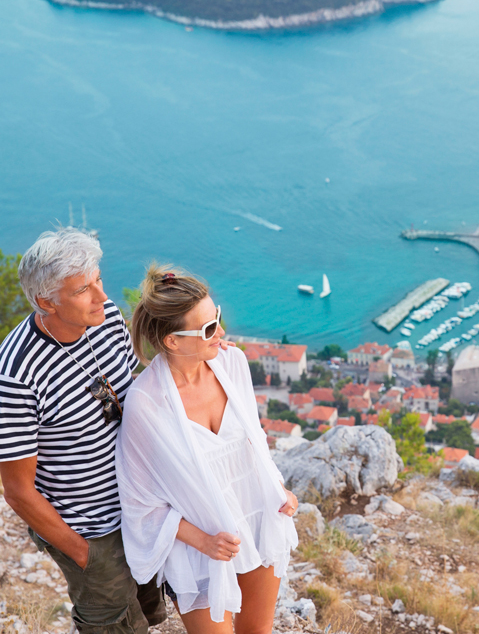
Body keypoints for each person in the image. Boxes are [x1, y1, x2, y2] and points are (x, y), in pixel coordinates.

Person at [0, 230, 193, 633]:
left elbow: (140, 394)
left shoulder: (106, 324)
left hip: (140, 507)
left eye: (99, 280)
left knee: (151, 611)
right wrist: (83, 552)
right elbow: (18, 489)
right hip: (88, 530)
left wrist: (200, 351)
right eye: (83, 289)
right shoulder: (16, 374)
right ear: (45, 301)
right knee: (114, 626)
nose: (102, 297)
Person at [115, 265, 299, 634]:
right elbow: (139, 503)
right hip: (200, 549)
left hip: (258, 519)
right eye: (209, 329)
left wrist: (276, 485)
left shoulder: (232, 363)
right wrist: (205, 541)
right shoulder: (146, 405)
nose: (223, 333)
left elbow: (253, 439)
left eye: (217, 318)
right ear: (172, 341)